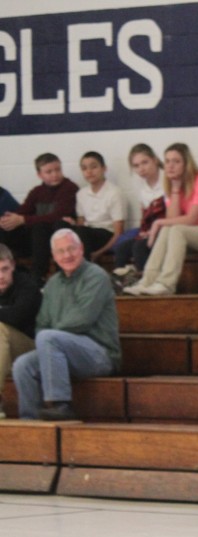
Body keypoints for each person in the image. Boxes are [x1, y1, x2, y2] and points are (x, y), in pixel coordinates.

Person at [13, 228, 120, 421]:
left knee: (47, 337)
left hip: (99, 354)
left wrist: (48, 338)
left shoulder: (96, 276)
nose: (67, 255)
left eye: (71, 249)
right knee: (23, 364)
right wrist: (48, 340)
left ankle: (60, 404)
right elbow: (41, 323)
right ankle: (29, 421)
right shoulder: (53, 283)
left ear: (81, 249)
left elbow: (82, 319)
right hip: (61, 352)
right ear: (54, 256)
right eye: (60, 251)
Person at [123, 142, 198, 296]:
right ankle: (147, 280)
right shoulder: (172, 185)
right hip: (195, 235)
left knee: (176, 229)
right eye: (168, 161)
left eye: (176, 161)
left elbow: (191, 219)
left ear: (186, 164)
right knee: (170, 228)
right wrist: (176, 189)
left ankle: (166, 284)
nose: (170, 166)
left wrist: (158, 222)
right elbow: (173, 219)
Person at [0, 153, 79, 282]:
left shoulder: (70, 188)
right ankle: (13, 272)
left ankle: (38, 275)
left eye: (57, 170)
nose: (55, 174)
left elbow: (58, 215)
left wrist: (24, 220)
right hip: (36, 241)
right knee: (6, 229)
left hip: (58, 236)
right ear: (39, 175)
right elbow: (23, 211)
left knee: (40, 226)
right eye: (49, 172)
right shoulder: (37, 191)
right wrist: (8, 220)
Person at [112, 143, 166, 280]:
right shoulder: (141, 187)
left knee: (139, 246)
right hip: (151, 229)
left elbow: (172, 213)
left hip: (167, 228)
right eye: (136, 166)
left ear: (154, 160)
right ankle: (121, 283)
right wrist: (144, 230)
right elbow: (145, 215)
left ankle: (147, 282)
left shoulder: (167, 180)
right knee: (121, 248)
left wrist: (152, 231)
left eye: (145, 162)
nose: (141, 169)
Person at [0, 244, 42, 418]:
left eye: (4, 269)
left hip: (30, 348)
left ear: (13, 266)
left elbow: (17, 317)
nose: (0, 276)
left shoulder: (27, 285)